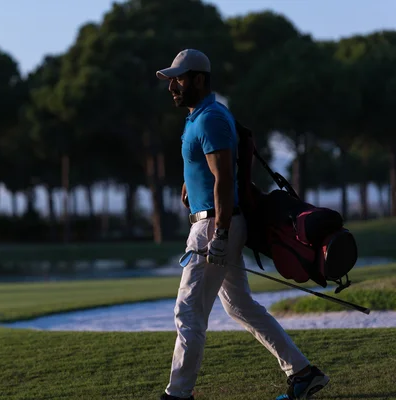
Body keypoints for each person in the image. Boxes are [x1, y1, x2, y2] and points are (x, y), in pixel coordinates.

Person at [155, 49, 330, 400]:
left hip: (213, 228)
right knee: (239, 305)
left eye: (179, 78)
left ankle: (178, 394)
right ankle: (303, 373)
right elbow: (212, 170)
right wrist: (191, 181)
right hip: (216, 223)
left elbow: (223, 179)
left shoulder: (210, 119)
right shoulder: (200, 117)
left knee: (188, 311)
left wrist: (219, 234)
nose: (172, 85)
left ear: (199, 79)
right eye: (171, 79)